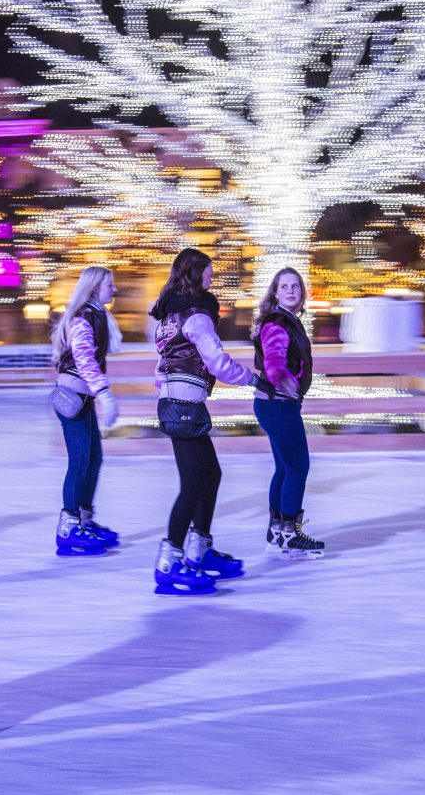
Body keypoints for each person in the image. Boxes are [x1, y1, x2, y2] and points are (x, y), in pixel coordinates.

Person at [149, 248, 274, 595]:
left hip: (175, 401)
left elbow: (163, 363)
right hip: (184, 403)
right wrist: (253, 379)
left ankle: (199, 548)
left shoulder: (169, 316)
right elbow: (217, 363)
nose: (212, 277)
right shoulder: (196, 315)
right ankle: (169, 563)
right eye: (209, 271)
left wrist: (168, 389)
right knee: (192, 485)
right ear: (195, 273)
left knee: (210, 475)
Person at [251, 267, 324, 559]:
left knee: (284, 467)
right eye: (285, 286)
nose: (291, 291)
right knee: (297, 467)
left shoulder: (288, 319)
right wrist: (284, 380)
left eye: (296, 286)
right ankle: (290, 536)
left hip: (274, 404)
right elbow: (274, 359)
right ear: (275, 292)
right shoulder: (278, 322)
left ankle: (277, 530)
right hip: (278, 403)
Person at [50, 266, 121, 556]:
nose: (114, 290)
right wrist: (104, 392)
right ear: (94, 288)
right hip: (73, 397)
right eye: (109, 285)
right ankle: (68, 530)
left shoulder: (97, 314)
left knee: (94, 460)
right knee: (80, 461)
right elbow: (83, 357)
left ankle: (84, 520)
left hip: (83, 396)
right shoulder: (83, 316)